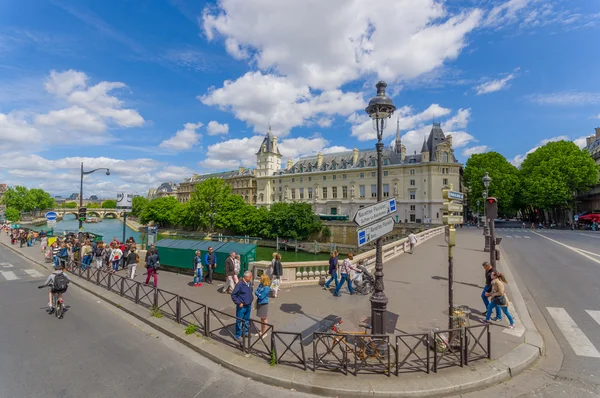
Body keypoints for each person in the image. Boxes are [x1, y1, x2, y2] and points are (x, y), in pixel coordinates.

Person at [231, 271, 253, 341]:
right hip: (242, 306)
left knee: (246, 320)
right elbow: (233, 294)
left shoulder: (249, 283)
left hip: (248, 304)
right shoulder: (240, 284)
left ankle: (245, 332)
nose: (251, 278)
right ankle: (238, 335)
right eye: (250, 277)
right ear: (246, 277)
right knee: (239, 320)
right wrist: (238, 302)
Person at [254, 273, 271, 339]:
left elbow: (261, 296)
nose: (260, 279)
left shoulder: (266, 288)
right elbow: (256, 291)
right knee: (261, 318)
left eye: (261, 278)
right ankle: (261, 331)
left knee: (264, 318)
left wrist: (258, 293)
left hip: (263, 303)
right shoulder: (261, 285)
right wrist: (258, 293)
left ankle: (265, 332)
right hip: (259, 303)